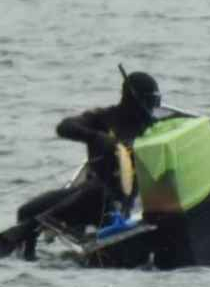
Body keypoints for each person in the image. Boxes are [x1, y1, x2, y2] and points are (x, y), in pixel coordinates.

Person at [16, 71, 162, 260]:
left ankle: (45, 221)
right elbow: (64, 127)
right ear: (134, 100)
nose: (152, 108)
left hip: (117, 202)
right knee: (26, 211)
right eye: (150, 101)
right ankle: (28, 257)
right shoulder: (104, 118)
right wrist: (95, 137)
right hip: (86, 193)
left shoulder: (153, 128)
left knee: (97, 192)